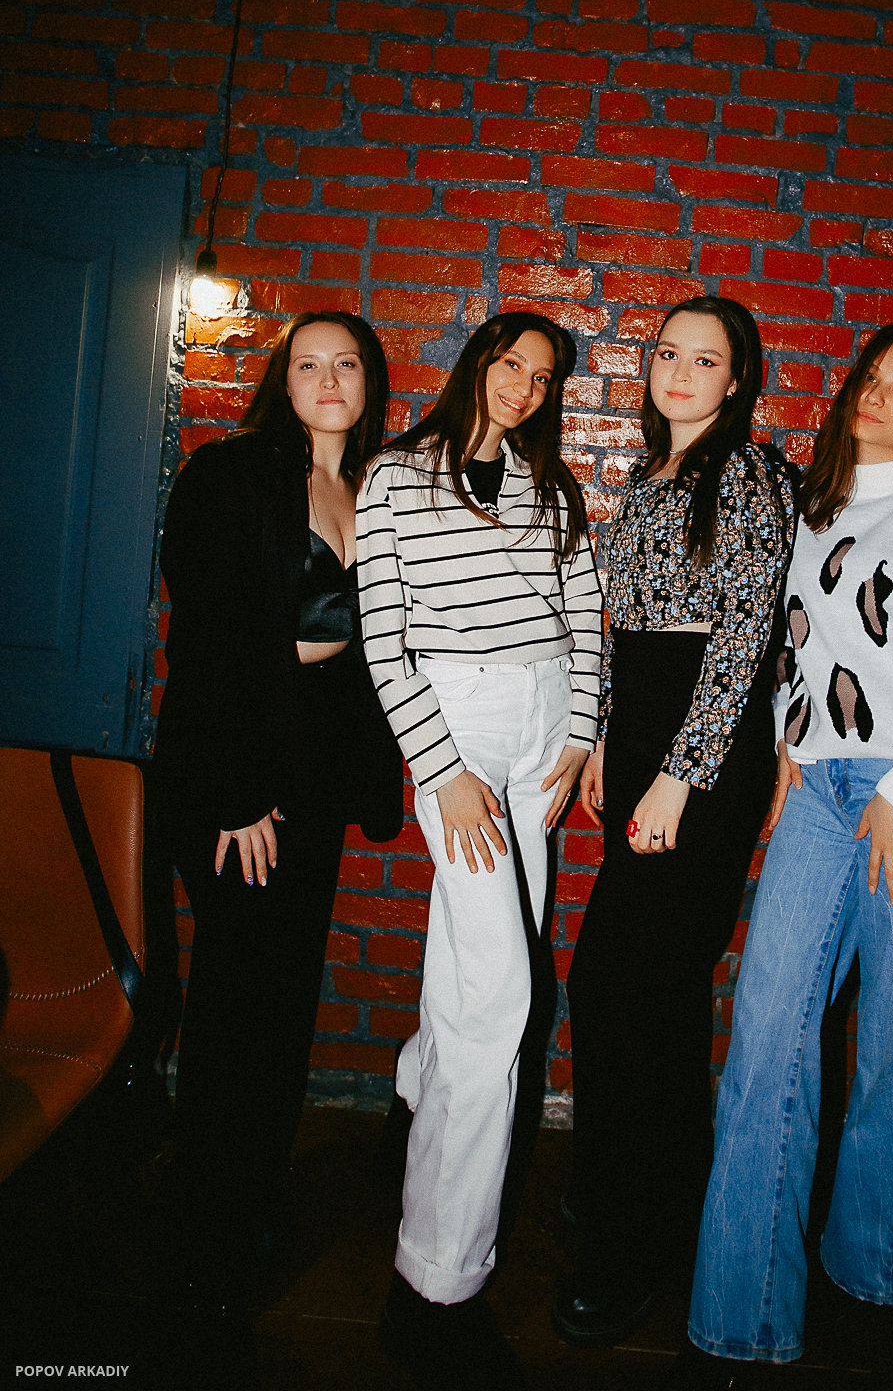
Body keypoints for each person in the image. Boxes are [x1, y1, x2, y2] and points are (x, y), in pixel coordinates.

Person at [681, 317, 893, 1375]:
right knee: (764, 1037)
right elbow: (797, 650)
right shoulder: (811, 512)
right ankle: (743, 1318)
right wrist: (790, 745)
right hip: (821, 801)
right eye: (870, 378)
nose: (877, 395)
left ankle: (869, 1285)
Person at [356, 310, 603, 1390]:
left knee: (477, 966)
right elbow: (384, 638)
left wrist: (582, 730)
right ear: (478, 364)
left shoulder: (552, 490)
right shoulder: (397, 478)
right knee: (498, 998)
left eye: (543, 378)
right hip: (457, 734)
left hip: (540, 737)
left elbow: (584, 617)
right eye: (512, 366)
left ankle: (416, 1094)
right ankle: (433, 1285)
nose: (525, 389)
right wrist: (441, 769)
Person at [154, 310, 402, 1363]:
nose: (328, 378)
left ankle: (248, 1198)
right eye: (308, 364)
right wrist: (234, 794)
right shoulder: (231, 474)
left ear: (369, 381)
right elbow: (208, 635)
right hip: (235, 769)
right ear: (281, 379)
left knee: (282, 997)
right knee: (234, 1009)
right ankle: (199, 1245)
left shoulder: (375, 486)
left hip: (313, 774)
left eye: (346, 364)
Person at [554, 296, 796, 1347]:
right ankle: (632, 1191)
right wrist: (613, 739)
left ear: (736, 382)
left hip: (705, 749)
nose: (680, 372)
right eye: (667, 354)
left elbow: (740, 639)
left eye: (706, 360)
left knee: (635, 990)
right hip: (651, 730)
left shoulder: (749, 475)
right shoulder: (649, 477)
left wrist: (679, 778)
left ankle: (639, 1239)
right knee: (623, 988)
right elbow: (632, 631)